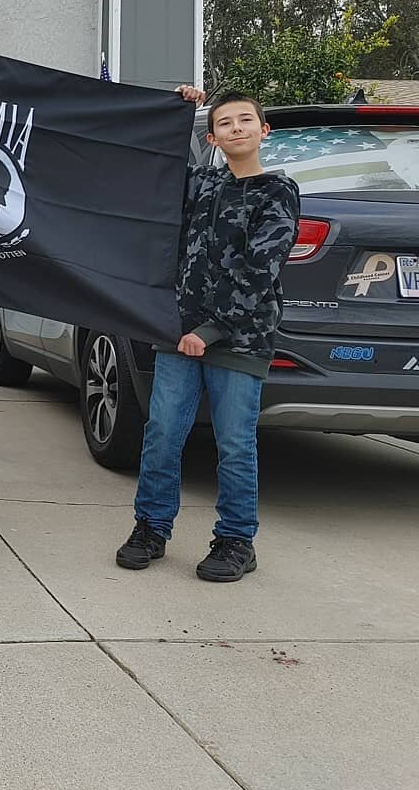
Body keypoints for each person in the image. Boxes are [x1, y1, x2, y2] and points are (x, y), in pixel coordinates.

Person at [115, 88, 300, 584]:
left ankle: (237, 540)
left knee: (235, 443)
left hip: (239, 340)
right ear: (213, 137)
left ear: (264, 130)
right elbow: (156, 172)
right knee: (162, 434)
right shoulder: (202, 185)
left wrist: (211, 329)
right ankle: (151, 528)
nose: (236, 128)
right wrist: (177, 112)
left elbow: (260, 270)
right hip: (179, 336)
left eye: (245, 120)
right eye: (224, 123)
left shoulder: (277, 191)